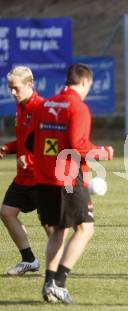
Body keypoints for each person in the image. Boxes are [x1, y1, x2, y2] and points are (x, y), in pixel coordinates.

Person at [25, 63, 114, 304]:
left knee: (58, 232)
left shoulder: (44, 105)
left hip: (43, 178)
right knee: (86, 229)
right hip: (67, 179)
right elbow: (79, 148)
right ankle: (59, 283)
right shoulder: (78, 108)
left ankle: (48, 284)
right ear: (85, 82)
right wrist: (104, 152)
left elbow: (31, 141)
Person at [0, 66, 52, 276]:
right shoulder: (21, 107)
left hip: (41, 177)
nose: (12, 92)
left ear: (30, 85)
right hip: (23, 178)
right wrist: (8, 148)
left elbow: (50, 145)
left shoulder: (42, 109)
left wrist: (30, 159)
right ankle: (29, 259)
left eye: (16, 88)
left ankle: (60, 266)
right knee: (6, 212)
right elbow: (25, 141)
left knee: (49, 224)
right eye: (10, 88)